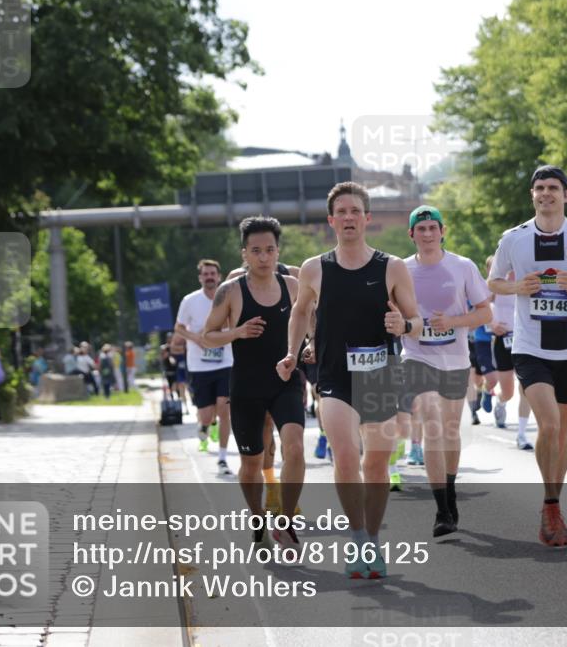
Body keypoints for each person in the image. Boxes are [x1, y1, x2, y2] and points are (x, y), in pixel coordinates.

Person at [278, 181, 422, 579]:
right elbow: (299, 312)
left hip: (379, 375)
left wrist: (403, 323)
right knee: (344, 454)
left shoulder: (391, 266)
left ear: (367, 218)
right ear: (331, 221)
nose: (348, 218)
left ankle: (372, 540)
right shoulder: (313, 268)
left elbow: (418, 322)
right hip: (334, 377)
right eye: (340, 212)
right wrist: (292, 352)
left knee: (376, 463)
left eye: (355, 211)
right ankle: (357, 538)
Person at [488, 164, 567, 548]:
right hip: (529, 346)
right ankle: (550, 506)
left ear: (566, 195)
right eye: (539, 188)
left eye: (553, 187)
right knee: (548, 425)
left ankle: (553, 503)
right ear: (532, 195)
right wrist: (517, 286)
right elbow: (493, 281)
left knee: (561, 433)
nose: (545, 193)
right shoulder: (514, 239)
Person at [203, 216, 305, 548]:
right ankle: (257, 514)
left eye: (270, 250)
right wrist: (237, 332)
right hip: (246, 387)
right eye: (256, 250)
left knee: (295, 448)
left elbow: (310, 322)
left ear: (278, 252)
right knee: (251, 464)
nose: (264, 257)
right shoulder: (230, 291)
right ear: (244, 253)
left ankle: (286, 521)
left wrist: (307, 347)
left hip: (286, 379)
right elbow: (207, 336)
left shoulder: (292, 286)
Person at [398, 205, 492, 536]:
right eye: (420, 229)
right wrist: (405, 325)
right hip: (417, 357)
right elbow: (390, 313)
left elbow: (485, 313)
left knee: (450, 431)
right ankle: (441, 510)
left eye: (432, 228)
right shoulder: (401, 270)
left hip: (455, 359)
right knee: (432, 425)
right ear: (411, 235)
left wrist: (452, 322)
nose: (427, 234)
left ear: (442, 231)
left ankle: (450, 494)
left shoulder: (462, 266)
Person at [176, 259, 233, 474]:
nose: (209, 277)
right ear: (200, 277)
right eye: (205, 274)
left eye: (213, 274)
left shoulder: (228, 297)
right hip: (199, 365)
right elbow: (179, 327)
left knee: (224, 409)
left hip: (225, 362)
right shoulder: (190, 301)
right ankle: (204, 425)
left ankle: (222, 458)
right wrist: (196, 338)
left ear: (219, 276)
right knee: (207, 414)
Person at [486, 265, 534, 448]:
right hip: (503, 338)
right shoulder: (497, 279)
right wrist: (492, 324)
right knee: (508, 391)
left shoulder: (530, 273)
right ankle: (500, 402)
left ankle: (521, 435)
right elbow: (482, 305)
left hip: (526, 338)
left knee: (526, 387)